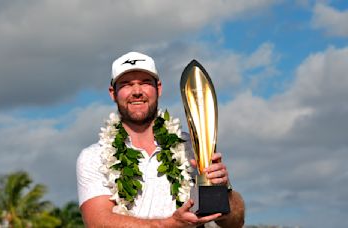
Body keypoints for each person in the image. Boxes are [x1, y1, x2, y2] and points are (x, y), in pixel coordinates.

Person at [76, 51, 245, 227]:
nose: (137, 91)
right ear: (113, 93)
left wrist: (222, 191)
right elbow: (99, 222)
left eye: (145, 83)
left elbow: (235, 222)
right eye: (126, 84)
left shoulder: (192, 146)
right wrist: (172, 223)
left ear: (159, 88)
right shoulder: (95, 156)